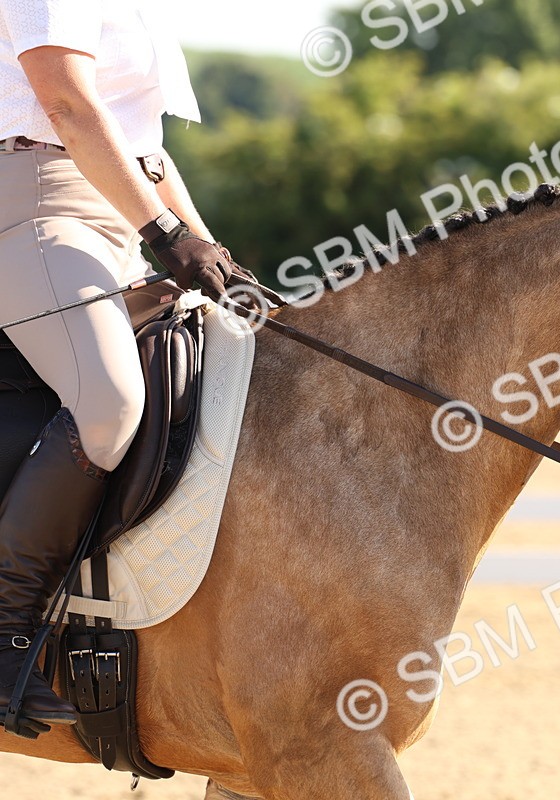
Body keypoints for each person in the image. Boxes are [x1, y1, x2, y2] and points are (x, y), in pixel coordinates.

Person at [0, 1, 241, 729]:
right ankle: (5, 628)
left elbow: (143, 149)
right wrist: (164, 233)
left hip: (113, 216)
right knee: (109, 402)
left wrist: (210, 251)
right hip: (36, 206)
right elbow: (68, 106)